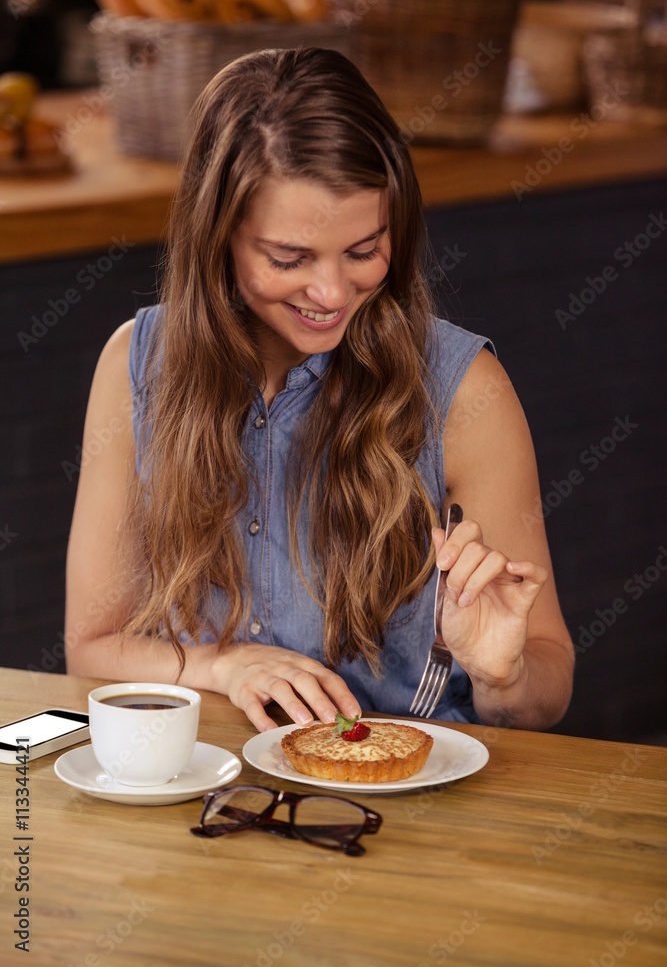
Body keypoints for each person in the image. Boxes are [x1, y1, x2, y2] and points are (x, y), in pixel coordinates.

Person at [65, 47, 574, 733]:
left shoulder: (461, 389)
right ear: (217, 238)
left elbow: (543, 690)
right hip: (210, 794)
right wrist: (225, 665)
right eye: (288, 258)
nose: (333, 293)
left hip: (410, 806)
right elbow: (91, 649)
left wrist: (500, 673)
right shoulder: (137, 363)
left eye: (363, 251)